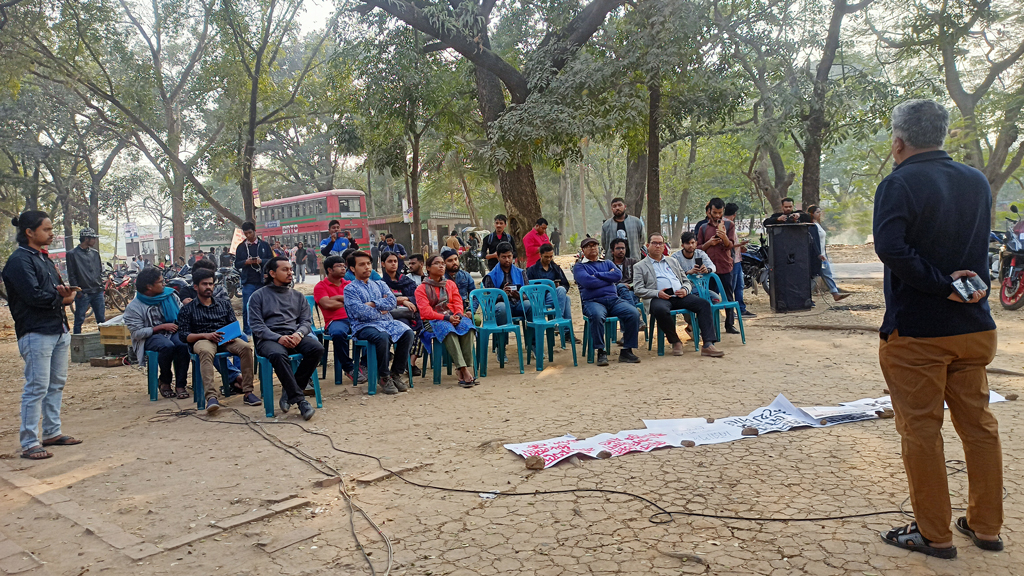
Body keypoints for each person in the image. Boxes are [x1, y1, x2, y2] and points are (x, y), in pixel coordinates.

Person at [875, 99, 1002, 559]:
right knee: (980, 427)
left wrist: (939, 286)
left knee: (922, 431)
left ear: (898, 140)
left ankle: (935, 534)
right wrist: (965, 287)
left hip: (919, 333)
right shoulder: (975, 180)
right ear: (943, 135)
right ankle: (986, 527)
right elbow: (976, 245)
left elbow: (891, 248)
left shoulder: (899, 182)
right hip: (974, 326)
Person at [3, 211, 81, 460]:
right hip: (36, 331)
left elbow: (53, 292)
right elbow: (33, 296)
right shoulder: (19, 261)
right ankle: (29, 442)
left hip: (57, 329)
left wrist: (65, 294)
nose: (51, 233)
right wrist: (63, 297)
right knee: (36, 387)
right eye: (46, 229)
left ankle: (51, 432)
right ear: (29, 232)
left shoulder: (43, 259)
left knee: (55, 384)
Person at [176, 268, 259, 413]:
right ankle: (211, 397)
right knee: (206, 352)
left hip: (225, 339)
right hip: (202, 339)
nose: (208, 287)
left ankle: (248, 392)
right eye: (204, 284)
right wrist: (205, 335)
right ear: (195, 287)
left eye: (211, 284)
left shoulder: (223, 304)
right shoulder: (187, 309)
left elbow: (233, 325)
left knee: (245, 347)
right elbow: (184, 336)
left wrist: (229, 337)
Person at [248, 257, 321, 420]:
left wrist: (299, 334)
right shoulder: (258, 296)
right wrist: (278, 338)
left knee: (317, 348)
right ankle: (301, 401)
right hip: (269, 340)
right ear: (272, 273)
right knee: (277, 355)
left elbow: (306, 322)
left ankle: (288, 392)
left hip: (295, 336)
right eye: (285, 269)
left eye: (290, 269)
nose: (290, 272)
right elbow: (257, 326)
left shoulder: (298, 296)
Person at [633, 233, 723, 358]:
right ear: (648, 245)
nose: (658, 246)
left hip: (679, 295)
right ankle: (675, 341)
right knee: (660, 310)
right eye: (654, 243)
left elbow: (686, 280)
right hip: (659, 298)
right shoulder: (640, 266)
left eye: (661, 243)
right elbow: (638, 289)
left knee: (704, 304)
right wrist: (657, 293)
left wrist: (685, 289)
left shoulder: (672, 261)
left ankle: (708, 344)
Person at [344, 250, 415, 395]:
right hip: (363, 326)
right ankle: (384, 376)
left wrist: (372, 303)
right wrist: (381, 307)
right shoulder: (350, 289)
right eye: (362, 264)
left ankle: (395, 373)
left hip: (386, 322)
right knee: (382, 337)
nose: (367, 267)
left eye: (369, 264)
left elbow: (392, 302)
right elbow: (359, 312)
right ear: (352, 268)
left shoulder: (380, 284)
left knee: (407, 333)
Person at [125, 267, 191, 400]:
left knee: (183, 345)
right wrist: (160, 327)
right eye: (161, 282)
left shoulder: (170, 295)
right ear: (149, 287)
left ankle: (180, 384)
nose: (164, 284)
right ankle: (165, 381)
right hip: (150, 336)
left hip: (173, 331)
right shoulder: (134, 307)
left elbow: (183, 314)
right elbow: (137, 333)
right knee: (166, 346)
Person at [574, 237, 641, 366]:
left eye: (595, 245)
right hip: (592, 301)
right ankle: (601, 351)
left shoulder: (608, 263)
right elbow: (588, 282)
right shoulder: (579, 267)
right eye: (589, 246)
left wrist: (597, 275)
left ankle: (627, 350)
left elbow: (618, 276)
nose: (593, 248)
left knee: (633, 313)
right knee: (597, 315)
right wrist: (607, 277)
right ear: (583, 250)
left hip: (613, 300)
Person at [416, 255, 477, 388]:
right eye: (437, 263)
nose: (441, 266)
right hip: (432, 321)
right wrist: (446, 318)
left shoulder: (450, 284)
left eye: (443, 263)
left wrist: (458, 316)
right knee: (446, 328)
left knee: (468, 326)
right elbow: (426, 312)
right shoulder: (421, 289)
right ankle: (463, 369)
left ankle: (463, 367)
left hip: (452, 317)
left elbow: (457, 302)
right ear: (428, 268)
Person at [314, 255, 367, 385]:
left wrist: (337, 298)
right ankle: (348, 367)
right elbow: (327, 304)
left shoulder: (350, 284)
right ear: (330, 270)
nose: (343, 268)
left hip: (355, 319)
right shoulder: (320, 286)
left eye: (344, 265)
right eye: (339, 266)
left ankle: (363, 364)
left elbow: (362, 301)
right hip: (335, 321)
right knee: (338, 334)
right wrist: (349, 301)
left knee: (374, 331)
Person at [695, 198, 739, 335]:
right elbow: (698, 248)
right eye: (715, 212)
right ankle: (709, 327)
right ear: (709, 211)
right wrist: (709, 243)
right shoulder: (703, 228)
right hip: (708, 269)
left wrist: (724, 237)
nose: (717, 215)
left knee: (728, 296)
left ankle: (729, 324)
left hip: (725, 266)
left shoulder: (729, 225)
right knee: (708, 298)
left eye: (720, 212)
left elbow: (730, 245)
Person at [381, 251, 423, 377]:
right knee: (404, 328)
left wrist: (406, 299)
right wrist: (401, 301)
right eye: (390, 261)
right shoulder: (380, 283)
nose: (393, 264)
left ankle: (410, 361)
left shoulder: (405, 280)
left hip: (409, 314)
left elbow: (418, 296)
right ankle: (402, 364)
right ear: (383, 264)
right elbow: (380, 301)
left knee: (424, 327)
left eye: (395, 261)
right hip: (390, 316)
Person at [525, 243, 576, 342]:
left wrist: (557, 286)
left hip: (555, 296)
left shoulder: (555, 268)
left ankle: (559, 321)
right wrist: (544, 288)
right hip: (540, 298)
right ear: (540, 255)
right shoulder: (532, 270)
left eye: (551, 257)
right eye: (546, 257)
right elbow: (528, 289)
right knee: (566, 299)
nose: (549, 259)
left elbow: (566, 284)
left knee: (562, 292)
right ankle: (565, 330)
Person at [235, 221, 273, 335]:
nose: (248, 236)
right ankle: (248, 332)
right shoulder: (241, 247)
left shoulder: (264, 245)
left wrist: (261, 261)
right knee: (247, 307)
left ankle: (265, 330)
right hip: (248, 282)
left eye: (250, 233)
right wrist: (245, 262)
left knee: (265, 306)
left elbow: (271, 261)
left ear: (255, 231)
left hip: (263, 281)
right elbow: (236, 264)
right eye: (245, 233)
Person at [806, 205, 849, 302]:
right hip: (817, 256)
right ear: (811, 213)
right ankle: (807, 297)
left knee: (827, 274)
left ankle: (835, 294)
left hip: (822, 255)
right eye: (817, 212)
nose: (819, 214)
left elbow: (821, 242)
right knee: (813, 277)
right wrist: (818, 254)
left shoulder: (818, 224)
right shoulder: (811, 226)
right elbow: (813, 242)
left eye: (820, 212)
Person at [67, 227, 105, 334]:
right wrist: (78, 291)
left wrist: (101, 286)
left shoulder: (95, 253)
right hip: (84, 292)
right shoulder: (72, 254)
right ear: (86, 239)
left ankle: (104, 343)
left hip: (97, 291)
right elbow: (72, 275)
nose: (94, 240)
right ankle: (77, 342)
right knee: (79, 319)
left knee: (101, 320)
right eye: (93, 238)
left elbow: (99, 270)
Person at [482, 242, 530, 326]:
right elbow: (490, 300)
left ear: (512, 256)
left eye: (509, 256)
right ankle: (502, 338)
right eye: (503, 257)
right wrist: (503, 295)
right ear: (498, 257)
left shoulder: (521, 273)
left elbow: (529, 294)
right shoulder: (490, 276)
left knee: (529, 305)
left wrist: (521, 296)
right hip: (500, 307)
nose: (507, 260)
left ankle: (532, 338)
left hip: (518, 304)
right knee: (502, 307)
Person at [724, 203, 755, 318]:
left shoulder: (724, 224)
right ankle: (733, 311)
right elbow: (727, 244)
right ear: (735, 214)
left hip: (736, 258)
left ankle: (740, 309)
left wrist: (739, 246)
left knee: (738, 286)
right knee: (733, 286)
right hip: (732, 260)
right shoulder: (728, 224)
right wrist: (739, 244)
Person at [608, 238, 640, 306]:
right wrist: (621, 286)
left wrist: (630, 286)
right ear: (612, 251)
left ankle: (631, 312)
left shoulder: (633, 262)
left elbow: (640, 279)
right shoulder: (608, 265)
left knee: (629, 295)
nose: (621, 250)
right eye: (618, 248)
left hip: (631, 291)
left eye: (623, 248)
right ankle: (633, 312)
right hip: (616, 293)